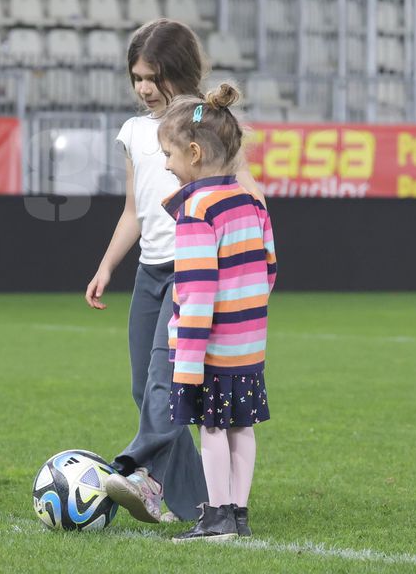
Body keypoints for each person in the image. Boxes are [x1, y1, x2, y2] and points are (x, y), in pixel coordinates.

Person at [84, 19, 262, 524]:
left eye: (151, 77)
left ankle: (140, 469)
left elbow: (249, 194)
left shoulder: (207, 126)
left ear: (178, 73)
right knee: (145, 388)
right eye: (135, 77)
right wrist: (106, 267)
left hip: (193, 273)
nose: (142, 88)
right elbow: (132, 213)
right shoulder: (134, 131)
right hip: (149, 273)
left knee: (165, 384)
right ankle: (194, 499)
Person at [157, 84, 277, 542]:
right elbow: (269, 267)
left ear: (193, 152)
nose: (166, 164)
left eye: (168, 154)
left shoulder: (196, 210)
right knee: (241, 427)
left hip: (210, 348)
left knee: (211, 428)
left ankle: (217, 516)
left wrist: (186, 362)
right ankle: (239, 514)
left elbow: (196, 290)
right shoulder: (249, 201)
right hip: (248, 344)